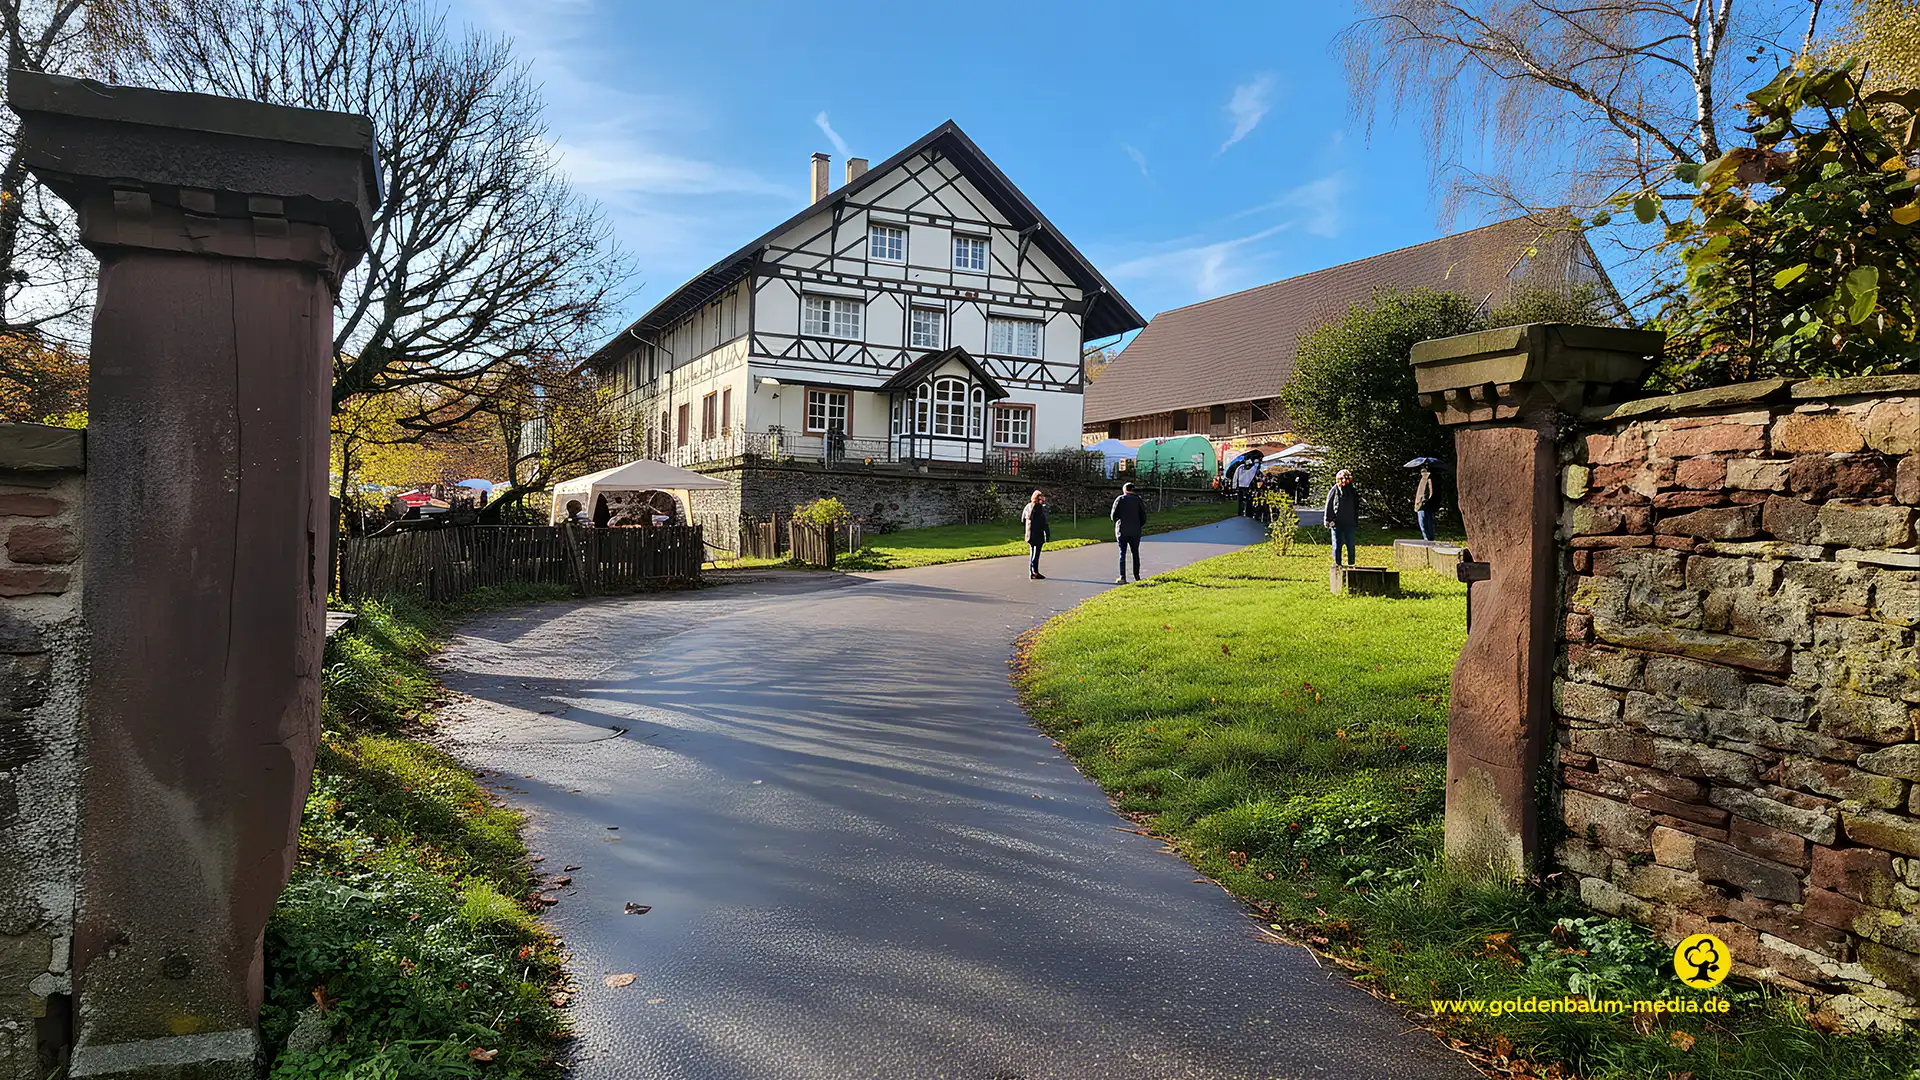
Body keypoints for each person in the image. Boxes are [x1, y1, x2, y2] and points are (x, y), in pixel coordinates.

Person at [1110, 481, 1148, 583]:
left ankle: (1123, 577)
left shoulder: (1120, 499)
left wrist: (1119, 521)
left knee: (1123, 553)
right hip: (1135, 531)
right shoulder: (1138, 500)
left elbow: (1113, 516)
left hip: (1122, 530)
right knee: (1135, 553)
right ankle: (1137, 576)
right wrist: (1138, 525)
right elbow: (1143, 517)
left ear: (1125, 490)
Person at [1323, 469, 1360, 566]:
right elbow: (1329, 505)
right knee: (1337, 546)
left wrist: (1355, 520)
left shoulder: (1353, 491)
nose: (1344, 481)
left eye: (1347, 479)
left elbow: (1356, 506)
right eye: (1342, 479)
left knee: (1350, 546)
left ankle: (1351, 565)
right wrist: (1329, 520)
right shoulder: (1334, 490)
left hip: (1350, 523)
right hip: (1337, 524)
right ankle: (1337, 565)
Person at [1021, 489, 1051, 580]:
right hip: (1038, 533)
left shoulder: (1028, 506)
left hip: (1029, 533)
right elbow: (1044, 522)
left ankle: (1031, 571)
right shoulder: (1039, 508)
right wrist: (1047, 534)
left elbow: (1022, 519)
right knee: (1036, 553)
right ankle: (1035, 572)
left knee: (1032, 552)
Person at [1413, 464, 1437, 541]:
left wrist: (1424, 501)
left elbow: (1430, 492)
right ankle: (1427, 539)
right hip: (1421, 504)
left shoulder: (1429, 479)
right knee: (1423, 523)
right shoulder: (1422, 479)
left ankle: (1429, 540)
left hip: (1425, 505)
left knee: (1425, 523)